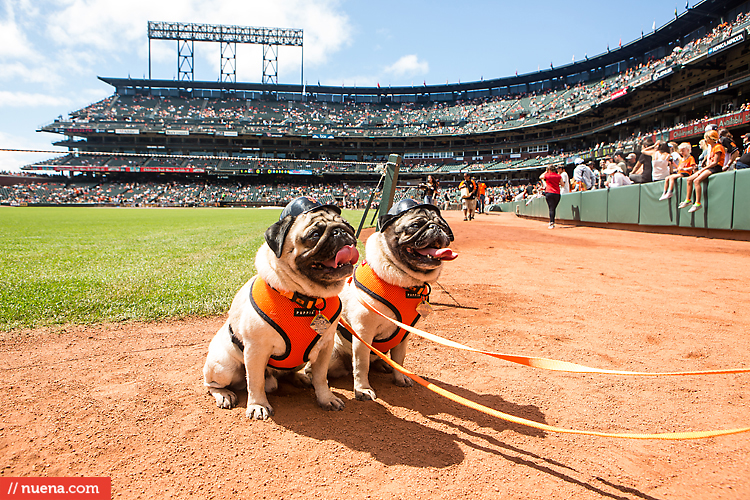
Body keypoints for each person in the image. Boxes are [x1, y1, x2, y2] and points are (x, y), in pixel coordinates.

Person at [678, 130, 725, 213]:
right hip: (708, 167)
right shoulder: (712, 148)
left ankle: (698, 203)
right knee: (689, 179)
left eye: (707, 138)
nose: (705, 140)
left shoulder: (718, 147)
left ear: (711, 138)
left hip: (715, 168)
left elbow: (715, 163)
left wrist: (704, 168)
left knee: (696, 181)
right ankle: (688, 200)